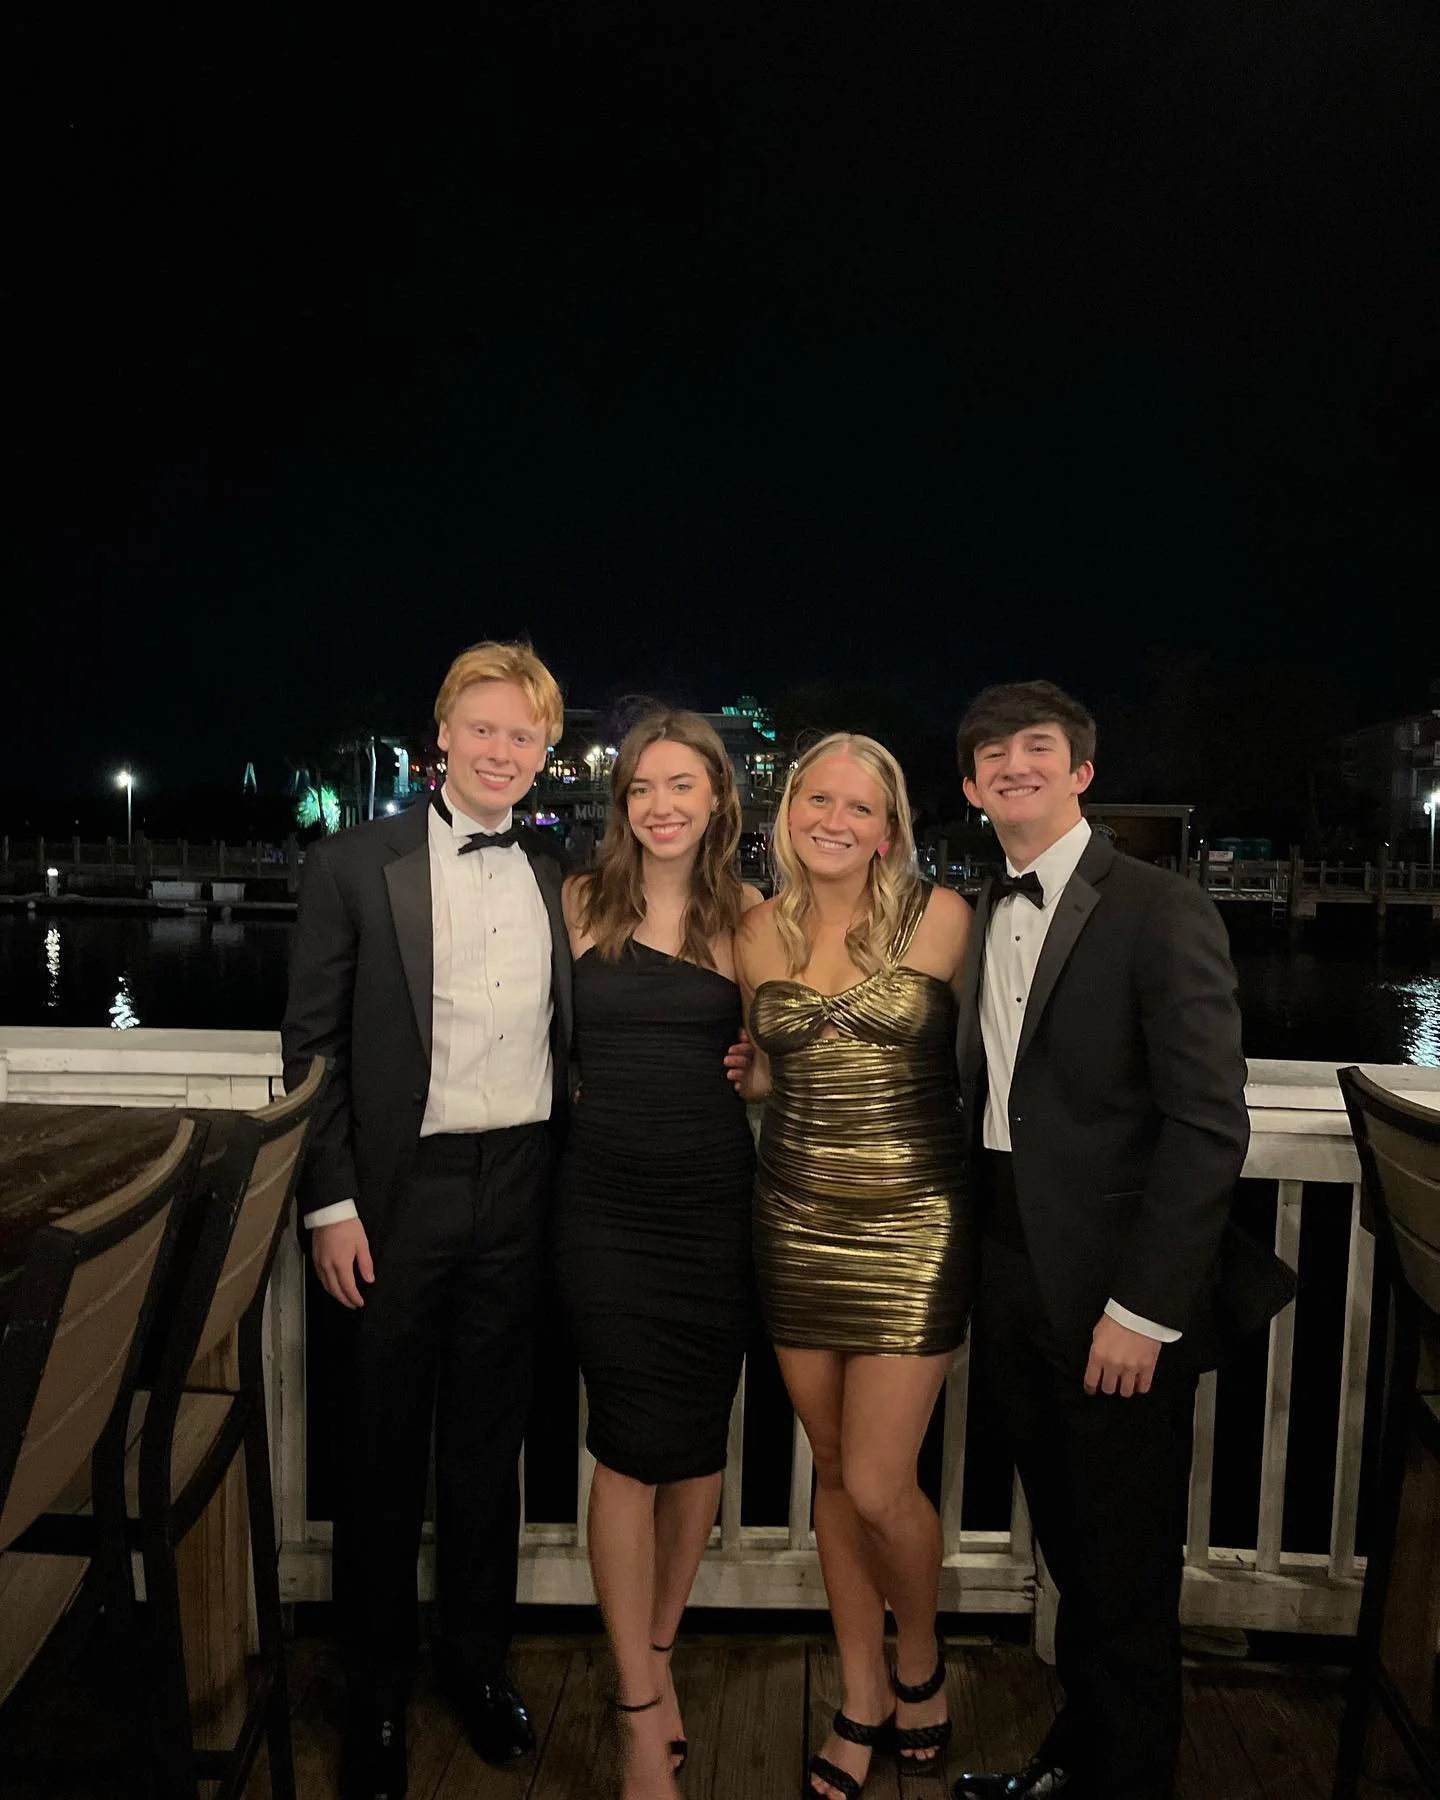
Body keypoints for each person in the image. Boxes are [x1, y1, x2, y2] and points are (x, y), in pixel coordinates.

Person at [951, 680, 1255, 1800]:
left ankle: (1127, 1779)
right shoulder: (984, 906)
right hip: (1013, 1273)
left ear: (1081, 771)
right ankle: (1077, 1762)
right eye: (992, 751)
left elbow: (1211, 1122)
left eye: (1038, 748)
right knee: (1074, 1556)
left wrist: (1146, 1310)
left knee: (1123, 1576)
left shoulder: (1160, 907)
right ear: (972, 784)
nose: (1012, 764)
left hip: (1119, 1301)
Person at [282, 641, 571, 1800]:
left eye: (525, 736)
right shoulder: (356, 863)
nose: (503, 751)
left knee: (487, 1449)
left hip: (523, 1187)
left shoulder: (561, 873)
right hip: (396, 1198)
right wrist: (331, 1200)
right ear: (442, 736)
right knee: (380, 1453)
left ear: (545, 755)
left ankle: (477, 1665)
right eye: (485, 729)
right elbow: (312, 1049)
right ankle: (375, 1694)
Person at [735, 732, 974, 1800]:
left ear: (890, 829)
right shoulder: (752, 928)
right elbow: (773, 1071)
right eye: (815, 799)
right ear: (787, 813)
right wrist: (747, 1073)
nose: (833, 819)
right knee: (831, 1471)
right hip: (792, 1214)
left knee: (881, 1480)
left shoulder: (941, 917)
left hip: (912, 1220)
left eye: (859, 807)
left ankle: (921, 1661)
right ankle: (864, 1690)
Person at [553, 709, 761, 1800]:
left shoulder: (753, 921)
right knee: (625, 1448)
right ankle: (637, 1710)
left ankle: (659, 1653)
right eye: (643, 787)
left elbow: (789, 1061)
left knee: (695, 1450)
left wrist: (755, 1069)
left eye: (684, 785)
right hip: (601, 1207)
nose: (662, 805)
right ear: (621, 802)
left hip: (714, 1209)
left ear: (719, 801)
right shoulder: (578, 904)